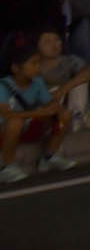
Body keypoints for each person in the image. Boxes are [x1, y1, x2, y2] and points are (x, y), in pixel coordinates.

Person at [0, 32, 77, 182]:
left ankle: (50, 156)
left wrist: (56, 109)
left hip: (27, 127)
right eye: (33, 64)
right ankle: (5, 167)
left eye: (38, 63)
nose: (37, 68)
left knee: (64, 115)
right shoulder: (3, 86)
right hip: (4, 131)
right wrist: (38, 112)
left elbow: (49, 105)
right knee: (15, 122)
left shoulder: (38, 83)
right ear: (16, 68)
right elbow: (6, 115)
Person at [36, 28, 90, 122]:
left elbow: (89, 71)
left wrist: (62, 90)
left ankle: (76, 121)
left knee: (80, 84)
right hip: (45, 108)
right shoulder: (32, 66)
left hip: (69, 105)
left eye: (57, 39)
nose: (54, 44)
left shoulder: (69, 61)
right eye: (47, 41)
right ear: (37, 46)